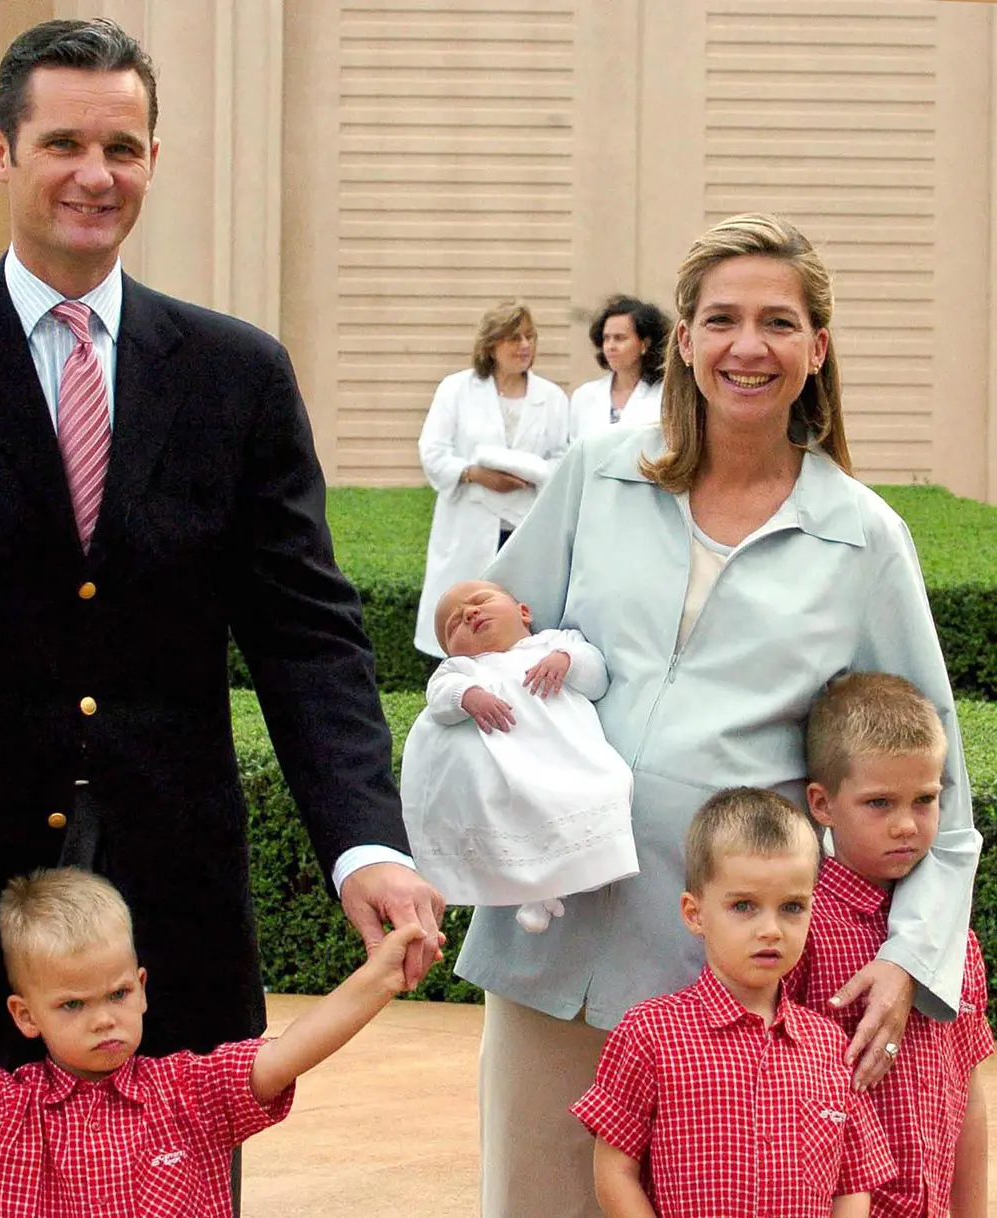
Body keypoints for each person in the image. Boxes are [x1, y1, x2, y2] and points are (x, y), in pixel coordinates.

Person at [0, 18, 442, 1218]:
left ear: (151, 158)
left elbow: (308, 633)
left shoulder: (236, 375)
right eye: (63, 141)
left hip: (166, 912)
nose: (94, 172)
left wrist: (364, 844)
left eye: (120, 145)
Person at [453, 213, 980, 1218]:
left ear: (815, 349)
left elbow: (937, 791)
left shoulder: (863, 539)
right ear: (683, 340)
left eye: (777, 322)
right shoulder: (595, 474)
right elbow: (497, 645)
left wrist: (910, 955)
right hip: (553, 933)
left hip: (725, 973)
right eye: (723, 319)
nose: (748, 346)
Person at [0, 867, 442, 1217]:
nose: (104, 1019)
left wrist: (378, 977)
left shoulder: (194, 1092)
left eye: (117, 994)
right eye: (72, 1005)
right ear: (26, 1017)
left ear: (142, 986)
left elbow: (297, 1045)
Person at [574, 788, 896, 1218]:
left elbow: (853, 1183)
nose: (771, 929)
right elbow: (614, 1170)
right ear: (694, 913)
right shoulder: (650, 1033)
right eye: (744, 905)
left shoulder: (830, 1047)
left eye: (792, 907)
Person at [788, 672, 994, 1218]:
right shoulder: (801, 934)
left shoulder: (955, 938)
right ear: (823, 804)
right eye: (879, 803)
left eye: (924, 800)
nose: (906, 825)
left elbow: (971, 1090)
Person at [401, 579, 635, 933]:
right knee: (522, 809)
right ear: (451, 652)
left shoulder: (555, 642)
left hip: (566, 755)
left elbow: (596, 677)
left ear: (523, 612)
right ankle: (539, 895)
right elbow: (439, 695)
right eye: (454, 625)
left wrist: (566, 661)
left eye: (480, 601)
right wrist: (467, 696)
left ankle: (576, 874)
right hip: (512, 762)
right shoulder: (464, 670)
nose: (469, 613)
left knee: (610, 785)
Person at [414, 300, 570, 657]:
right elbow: (433, 451)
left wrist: (532, 474)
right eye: (514, 338)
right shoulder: (456, 390)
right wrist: (475, 474)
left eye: (530, 336)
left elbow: (562, 456)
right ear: (490, 344)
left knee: (520, 629)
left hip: (524, 525)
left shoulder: (552, 397)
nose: (525, 345)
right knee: (464, 623)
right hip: (469, 523)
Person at [567, 294, 669, 441]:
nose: (610, 346)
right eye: (606, 338)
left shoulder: (665, 396)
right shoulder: (584, 396)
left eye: (619, 338)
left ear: (644, 344)